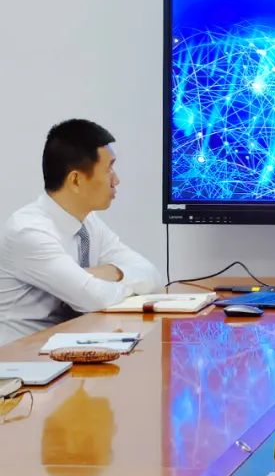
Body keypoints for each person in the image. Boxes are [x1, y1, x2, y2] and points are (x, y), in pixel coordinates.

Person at [0, 120, 162, 345]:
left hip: (70, 347)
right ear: (76, 180)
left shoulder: (88, 223)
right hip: (24, 358)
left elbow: (153, 277)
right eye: (108, 169)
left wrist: (112, 272)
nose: (116, 180)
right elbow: (94, 299)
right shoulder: (28, 231)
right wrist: (111, 284)